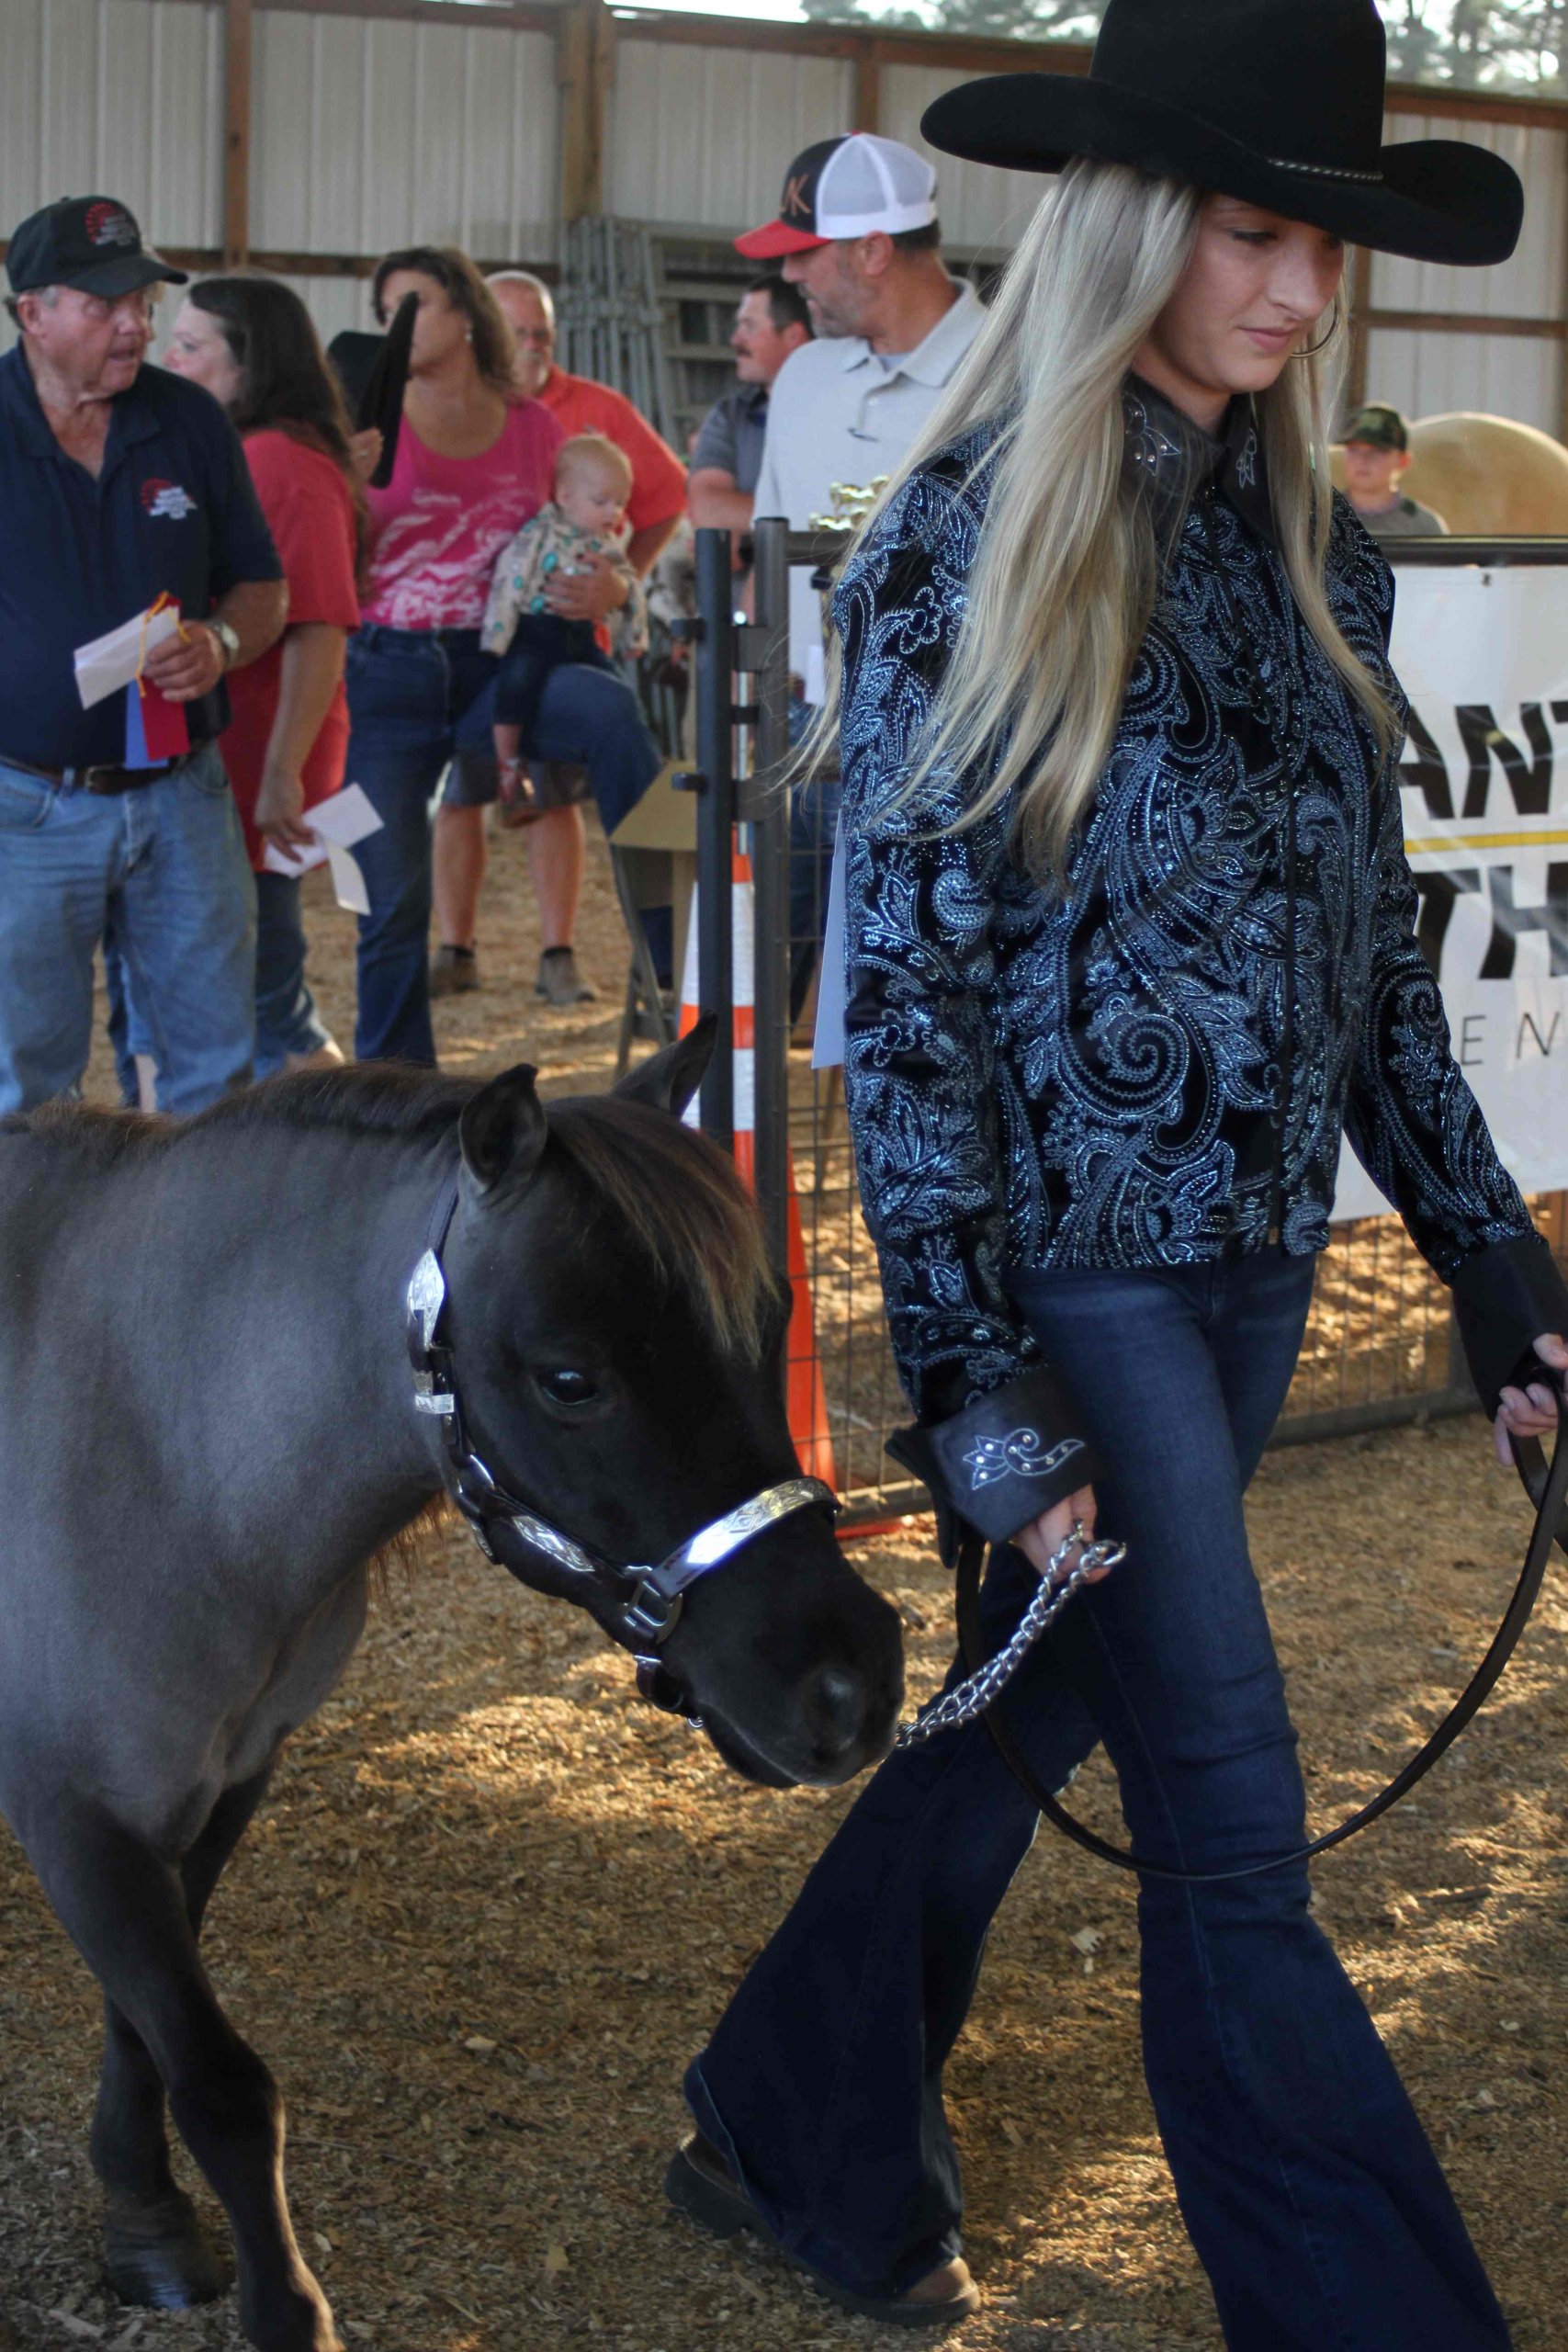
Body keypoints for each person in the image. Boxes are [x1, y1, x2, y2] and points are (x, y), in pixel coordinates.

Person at [662, 4, 1568, 2346]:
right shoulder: (964, 537)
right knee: (1229, 1824)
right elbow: (925, 1004)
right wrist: (961, 1368)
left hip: (1254, 1254)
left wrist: (1482, 1254)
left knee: (1041, 1705)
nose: (1293, 294)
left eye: (1319, 247)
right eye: (1253, 233)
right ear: (1141, 225)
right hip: (1071, 1283)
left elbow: (1372, 961)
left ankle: (788, 2106)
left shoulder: (1313, 557)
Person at [0, 195, 287, 1119]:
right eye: (105, 302)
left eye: (143, 299)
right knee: (27, 1089)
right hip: (24, 809)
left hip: (181, 795)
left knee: (212, 1077)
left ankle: (195, 1262)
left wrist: (223, 640)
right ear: (30, 312)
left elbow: (261, 584)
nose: (136, 323)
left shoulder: (190, 422)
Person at [736, 134, 987, 1016]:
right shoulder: (802, 375)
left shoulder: (1008, 376)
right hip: (802, 727)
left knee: (916, 1012)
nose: (792, 274)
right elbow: (768, 551)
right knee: (759, 1000)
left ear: (872, 249)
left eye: (804, 251)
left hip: (950, 744)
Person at [423, 269, 687, 1009]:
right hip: (466, 644)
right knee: (458, 799)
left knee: (566, 787)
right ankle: (455, 946)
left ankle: (566, 950)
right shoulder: (452, 410)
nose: (533, 346)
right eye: (518, 333)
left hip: (559, 641)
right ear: (481, 336)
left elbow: (666, 497)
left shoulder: (595, 410)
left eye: (542, 331)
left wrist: (618, 582)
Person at [163, 275, 364, 1077]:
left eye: (190, 346)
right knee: (250, 981)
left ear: (251, 364)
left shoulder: (281, 463)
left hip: (260, 756)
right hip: (242, 747)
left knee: (268, 994)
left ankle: (343, 1156)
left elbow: (319, 628)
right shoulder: (256, 453)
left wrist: (282, 773)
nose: (169, 360)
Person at [482, 431, 651, 800]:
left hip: (581, 634)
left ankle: (603, 770)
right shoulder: (537, 535)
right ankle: (508, 763)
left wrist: (633, 637)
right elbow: (510, 580)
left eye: (620, 503)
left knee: (619, 691)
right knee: (516, 684)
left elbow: (630, 588)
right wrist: (497, 637)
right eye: (602, 501)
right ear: (564, 496)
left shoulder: (605, 546)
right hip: (534, 629)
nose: (614, 513)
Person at [687, 276, 813, 537]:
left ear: (793, 335)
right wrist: (813, 519)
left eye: (749, 326)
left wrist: (749, 524)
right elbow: (708, 509)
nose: (735, 339)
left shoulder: (840, 405)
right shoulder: (731, 414)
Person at [1343, 399, 1450, 536]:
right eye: (1354, 450)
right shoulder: (1322, 518)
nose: (1362, 460)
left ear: (1403, 461)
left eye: (1377, 452)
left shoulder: (1424, 526)